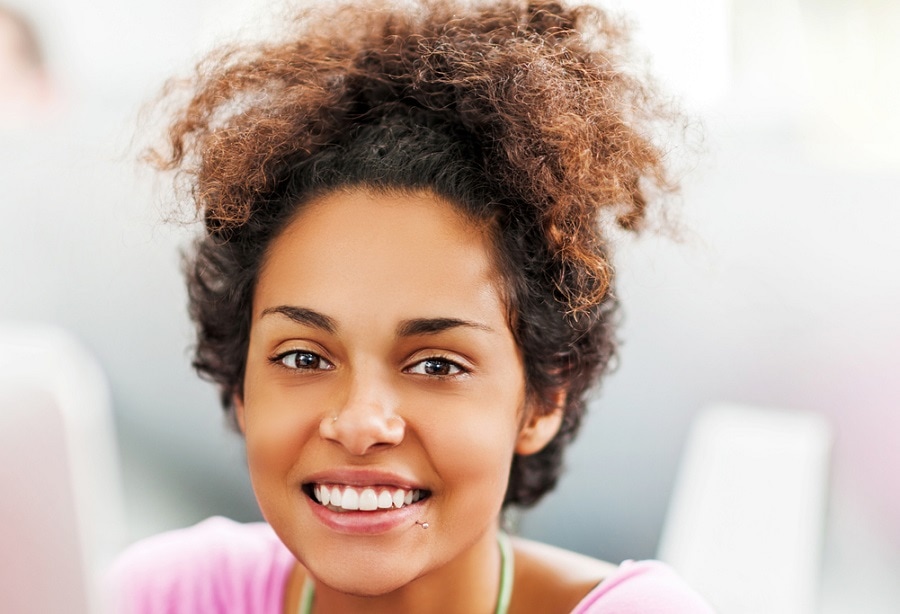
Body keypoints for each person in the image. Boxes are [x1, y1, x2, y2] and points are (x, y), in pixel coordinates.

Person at [109, 0, 714, 612]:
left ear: (543, 396)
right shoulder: (164, 596)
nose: (359, 423)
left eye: (437, 365)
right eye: (302, 357)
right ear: (240, 386)